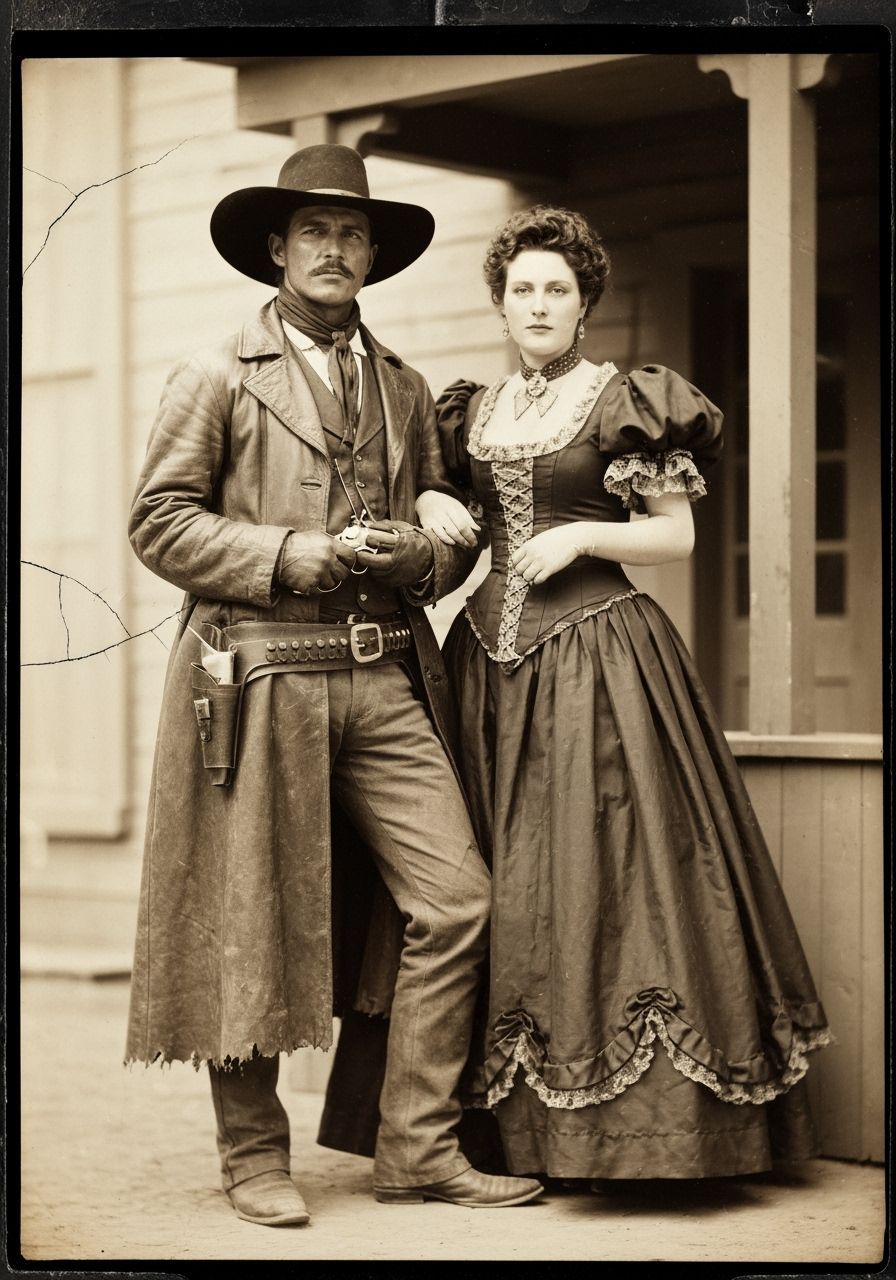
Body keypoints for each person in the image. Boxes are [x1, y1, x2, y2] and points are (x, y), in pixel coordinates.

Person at [124, 145, 544, 1225]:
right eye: (314, 230)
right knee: (248, 911)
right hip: (258, 674)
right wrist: (284, 553)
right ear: (277, 248)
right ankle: (252, 1156)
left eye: (352, 233)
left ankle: (417, 1147)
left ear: (371, 256)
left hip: (384, 676)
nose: (334, 248)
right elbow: (159, 522)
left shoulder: (404, 387)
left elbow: (447, 536)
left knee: (455, 899)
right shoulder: (217, 372)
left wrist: (421, 556)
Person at [415, 204, 833, 1182]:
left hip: (600, 659)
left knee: (609, 870)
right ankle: (500, 1136)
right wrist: (434, 499)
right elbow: (460, 527)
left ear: (583, 301)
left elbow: (674, 536)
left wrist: (581, 536)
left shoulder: (624, 400)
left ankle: (636, 1141)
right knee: (503, 882)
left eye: (556, 288)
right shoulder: (470, 412)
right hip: (487, 670)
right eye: (522, 288)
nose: (538, 304)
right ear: (500, 302)